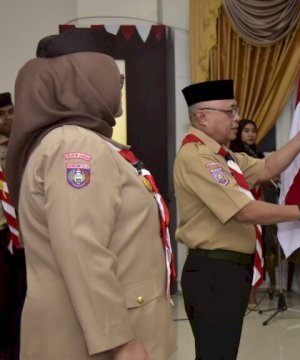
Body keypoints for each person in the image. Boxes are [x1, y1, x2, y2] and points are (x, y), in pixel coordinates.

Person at [4, 28, 177, 359]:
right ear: (87, 81)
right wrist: (119, 341)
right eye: (114, 79)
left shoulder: (76, 141)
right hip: (100, 341)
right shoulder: (74, 144)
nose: (118, 89)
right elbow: (80, 247)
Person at [175, 79, 300, 360]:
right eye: (229, 111)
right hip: (213, 271)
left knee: (223, 351)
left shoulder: (224, 155)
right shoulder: (198, 158)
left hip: (227, 270)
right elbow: (244, 210)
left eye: (235, 110)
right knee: (215, 353)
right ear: (202, 117)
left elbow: (268, 166)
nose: (236, 119)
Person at [229, 118, 277, 309]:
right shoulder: (233, 156)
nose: (250, 134)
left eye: (253, 131)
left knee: (258, 252)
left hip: (259, 209)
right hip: (241, 210)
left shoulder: (258, 156)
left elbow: (266, 180)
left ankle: (252, 296)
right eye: (246, 130)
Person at [0, 92, 25, 360]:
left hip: (23, 234)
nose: (8, 118)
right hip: (2, 234)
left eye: (11, 111)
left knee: (22, 297)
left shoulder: (23, 144)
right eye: (1, 114)